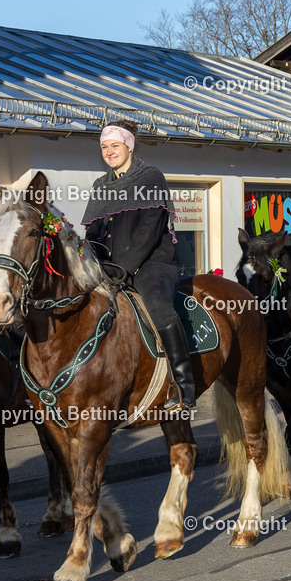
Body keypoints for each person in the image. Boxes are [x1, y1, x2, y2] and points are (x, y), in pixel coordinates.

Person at [82, 120, 195, 411]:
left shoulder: (150, 177)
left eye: (115, 146)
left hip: (151, 264)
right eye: (104, 147)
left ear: (129, 146)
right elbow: (92, 233)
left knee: (158, 305)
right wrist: (93, 263)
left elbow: (149, 229)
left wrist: (124, 268)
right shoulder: (101, 185)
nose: (109, 151)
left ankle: (183, 385)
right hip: (111, 268)